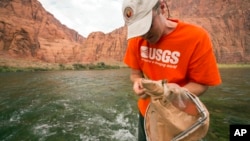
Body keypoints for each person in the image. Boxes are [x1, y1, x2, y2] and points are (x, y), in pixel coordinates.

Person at [122, 0, 222, 140]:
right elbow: (135, 73)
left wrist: (175, 93)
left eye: (148, 26)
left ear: (162, 8)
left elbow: (201, 84)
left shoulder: (196, 38)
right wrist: (137, 82)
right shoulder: (136, 40)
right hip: (147, 115)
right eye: (139, 30)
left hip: (180, 118)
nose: (144, 35)